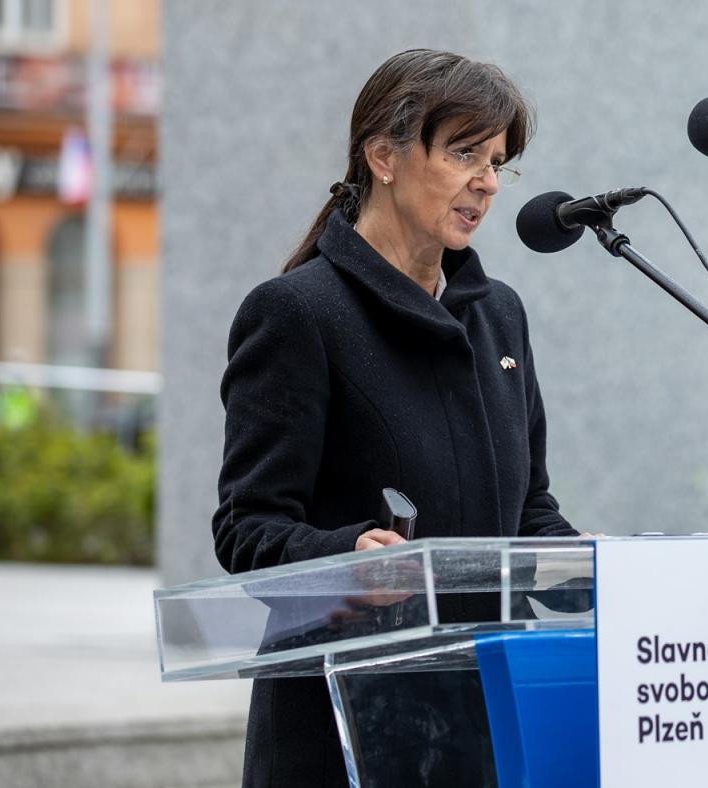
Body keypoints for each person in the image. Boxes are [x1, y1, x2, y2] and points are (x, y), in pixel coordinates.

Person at [211, 49, 577, 787]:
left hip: (484, 722)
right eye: (465, 153)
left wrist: (600, 572)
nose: (488, 182)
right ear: (383, 156)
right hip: (344, 727)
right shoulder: (298, 314)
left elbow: (528, 508)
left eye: (497, 162)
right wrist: (350, 555)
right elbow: (247, 527)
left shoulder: (498, 315)